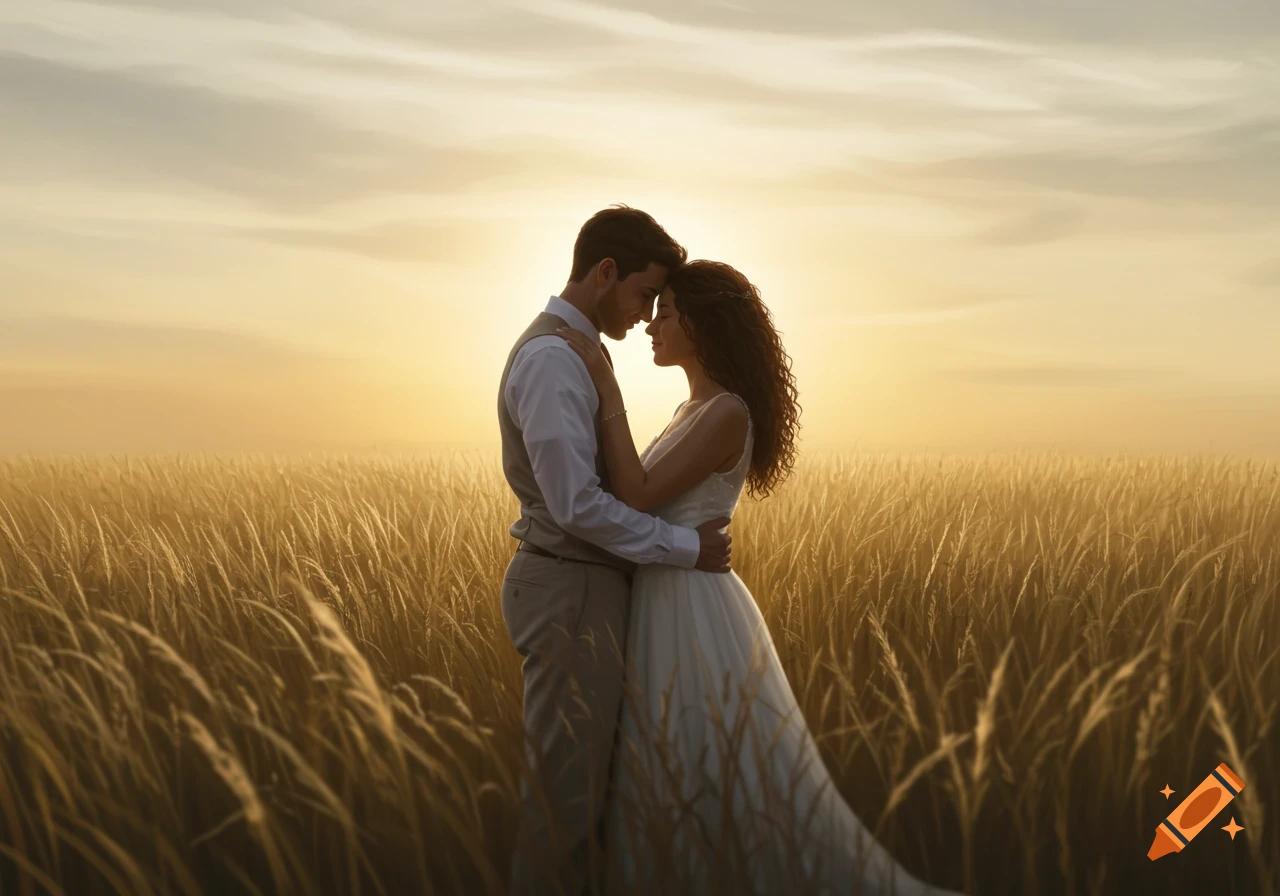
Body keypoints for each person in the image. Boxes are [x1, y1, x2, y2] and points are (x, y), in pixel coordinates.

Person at [555, 260, 963, 895]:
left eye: (666, 312)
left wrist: (605, 390)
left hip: (692, 606)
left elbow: (634, 493)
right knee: (674, 759)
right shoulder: (692, 409)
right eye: (654, 309)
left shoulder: (726, 413)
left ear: (704, 322)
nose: (652, 326)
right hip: (669, 593)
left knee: (702, 759)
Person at [496, 205, 735, 896]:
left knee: (585, 808)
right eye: (640, 295)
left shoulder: (578, 356)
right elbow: (576, 505)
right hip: (570, 591)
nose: (641, 318)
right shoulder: (553, 360)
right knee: (562, 813)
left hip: (583, 592)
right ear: (605, 273)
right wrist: (685, 547)